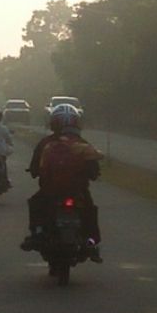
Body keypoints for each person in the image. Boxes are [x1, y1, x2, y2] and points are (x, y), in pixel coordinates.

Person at [20, 103, 104, 262]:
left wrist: (37, 172)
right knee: (90, 211)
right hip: (78, 191)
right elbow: (93, 171)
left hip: (50, 191)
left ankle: (37, 234)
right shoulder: (83, 144)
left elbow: (34, 168)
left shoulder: (45, 143)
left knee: (36, 204)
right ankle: (91, 242)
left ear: (53, 122)